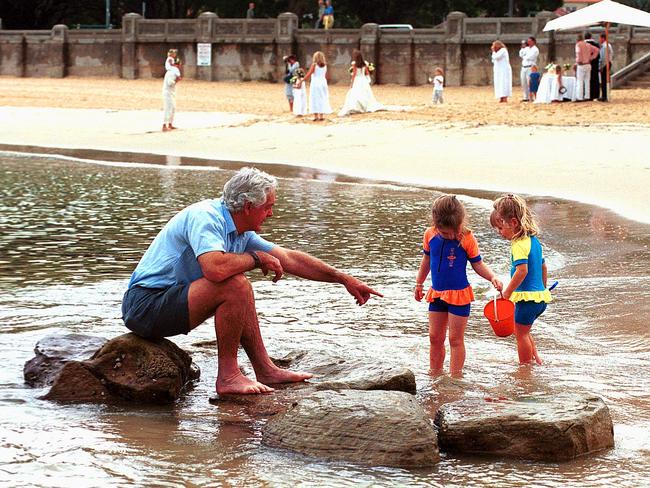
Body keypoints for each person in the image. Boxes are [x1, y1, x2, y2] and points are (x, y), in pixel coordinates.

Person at [122, 167, 383, 395]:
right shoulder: (206, 216)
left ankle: (265, 369)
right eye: (268, 207)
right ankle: (228, 376)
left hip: (170, 303)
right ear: (248, 206)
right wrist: (255, 258)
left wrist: (342, 278)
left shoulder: (239, 231)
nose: (270, 214)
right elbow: (214, 268)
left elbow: (289, 258)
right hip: (145, 305)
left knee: (238, 285)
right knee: (235, 284)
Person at [414, 195, 502, 377]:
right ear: (435, 224)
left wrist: (492, 277)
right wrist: (419, 283)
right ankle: (435, 373)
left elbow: (478, 264)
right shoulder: (429, 235)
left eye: (453, 231)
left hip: (459, 296)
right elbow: (427, 259)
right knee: (434, 338)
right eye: (445, 233)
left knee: (455, 339)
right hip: (437, 294)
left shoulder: (467, 238)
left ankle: (455, 376)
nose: (450, 236)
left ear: (460, 223)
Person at [490, 194, 552, 366]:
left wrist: (507, 292)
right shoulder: (534, 241)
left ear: (513, 223)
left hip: (527, 299)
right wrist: (543, 290)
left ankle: (525, 368)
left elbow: (522, 271)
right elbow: (543, 267)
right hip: (539, 299)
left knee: (521, 334)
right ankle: (536, 360)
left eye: (500, 227)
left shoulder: (518, 244)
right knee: (524, 330)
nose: (499, 232)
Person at [338, 49, 384, 116]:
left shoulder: (354, 64)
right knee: (365, 93)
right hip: (363, 80)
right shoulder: (364, 63)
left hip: (357, 80)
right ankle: (365, 106)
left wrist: (352, 83)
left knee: (355, 93)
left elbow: (354, 74)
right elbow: (367, 72)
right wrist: (368, 79)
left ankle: (358, 106)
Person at [299, 51, 332, 121]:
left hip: (315, 83)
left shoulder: (314, 65)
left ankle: (316, 116)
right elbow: (327, 76)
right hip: (323, 82)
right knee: (322, 98)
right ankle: (321, 116)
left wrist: (302, 80)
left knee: (315, 98)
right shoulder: (325, 65)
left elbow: (309, 74)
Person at [575, 33, 599, 101]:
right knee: (587, 81)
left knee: (580, 81)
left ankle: (579, 96)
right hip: (588, 64)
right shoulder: (588, 45)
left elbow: (578, 53)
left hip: (581, 64)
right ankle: (587, 96)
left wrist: (578, 61)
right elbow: (597, 50)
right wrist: (591, 57)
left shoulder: (578, 45)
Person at [162, 56, 181, 132]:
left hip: (171, 92)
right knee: (168, 108)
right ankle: (164, 125)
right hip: (168, 93)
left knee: (173, 108)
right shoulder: (171, 73)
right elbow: (170, 83)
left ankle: (170, 123)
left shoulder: (173, 72)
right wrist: (177, 80)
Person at [519, 36, 539, 102]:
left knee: (530, 82)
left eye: (530, 41)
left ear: (533, 41)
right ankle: (526, 97)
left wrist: (524, 56)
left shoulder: (535, 49)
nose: (528, 42)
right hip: (524, 66)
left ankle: (532, 96)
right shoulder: (526, 48)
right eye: (528, 41)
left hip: (530, 67)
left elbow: (530, 57)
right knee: (523, 82)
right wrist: (522, 48)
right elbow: (521, 54)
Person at [584, 32, 600, 101]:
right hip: (595, 64)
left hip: (585, 64)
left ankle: (586, 94)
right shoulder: (596, 44)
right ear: (591, 37)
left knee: (586, 80)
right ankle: (595, 94)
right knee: (595, 79)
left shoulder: (582, 44)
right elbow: (598, 55)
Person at [599, 33, 613, 102]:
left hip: (605, 64)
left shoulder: (604, 46)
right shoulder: (608, 45)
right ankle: (605, 94)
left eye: (600, 38)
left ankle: (604, 95)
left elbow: (603, 58)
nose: (599, 40)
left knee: (604, 80)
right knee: (605, 80)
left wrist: (601, 66)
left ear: (603, 38)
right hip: (608, 62)